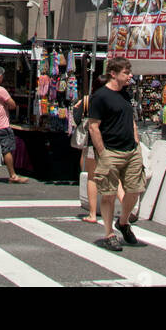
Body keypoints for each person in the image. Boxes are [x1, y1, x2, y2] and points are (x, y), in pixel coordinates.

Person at [87, 58, 146, 252]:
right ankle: (108, 233)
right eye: (126, 72)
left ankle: (123, 221)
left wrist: (136, 139)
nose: (130, 76)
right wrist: (102, 153)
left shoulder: (125, 93)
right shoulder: (100, 96)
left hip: (131, 150)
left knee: (135, 189)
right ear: (113, 73)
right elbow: (93, 126)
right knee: (109, 194)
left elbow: (131, 119)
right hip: (110, 151)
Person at [74, 75, 105, 223]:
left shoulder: (89, 100)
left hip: (93, 142)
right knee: (114, 177)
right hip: (111, 143)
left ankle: (92, 214)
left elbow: (77, 118)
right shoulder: (115, 100)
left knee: (91, 177)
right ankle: (126, 212)